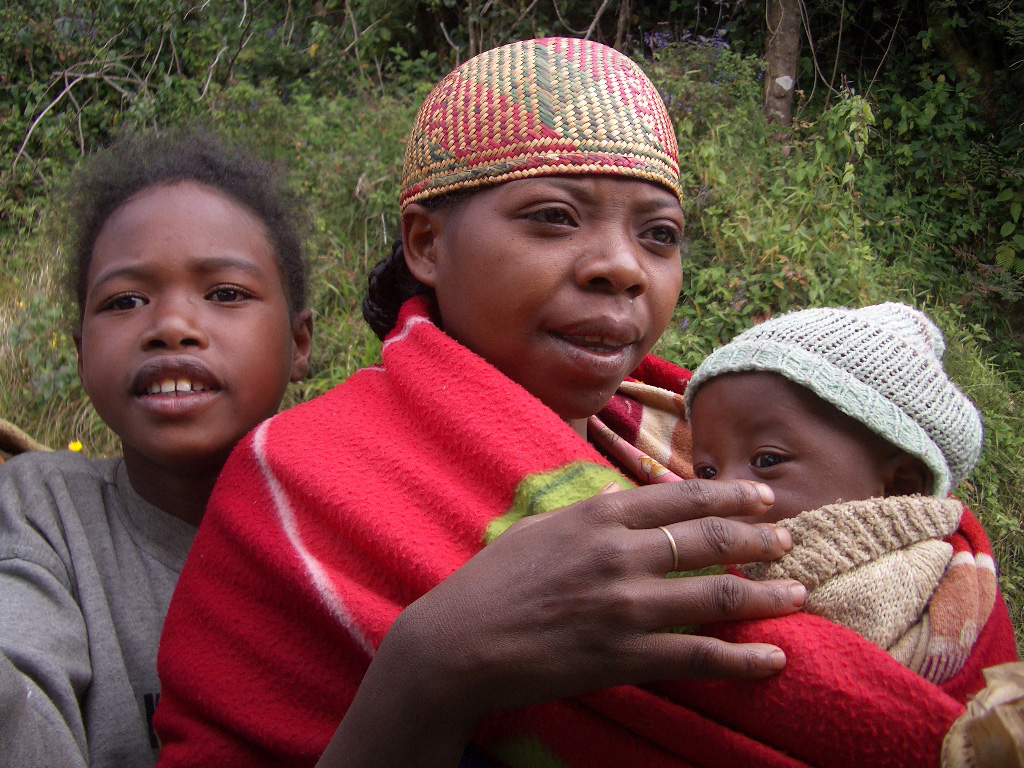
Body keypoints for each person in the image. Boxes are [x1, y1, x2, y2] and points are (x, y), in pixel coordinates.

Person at [155, 39, 981, 768]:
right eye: (553, 218)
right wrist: (430, 667)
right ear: (427, 243)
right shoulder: (303, 480)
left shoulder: (695, 425)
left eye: (658, 234)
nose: (622, 267)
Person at [0, 130, 313, 768]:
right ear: (81, 351)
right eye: (125, 301)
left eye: (225, 293)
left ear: (299, 342)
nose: (171, 325)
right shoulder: (43, 509)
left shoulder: (363, 505)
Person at [684, 303, 1018, 696]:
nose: (719, 493)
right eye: (706, 471)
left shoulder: (898, 586)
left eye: (767, 460)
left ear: (899, 486)